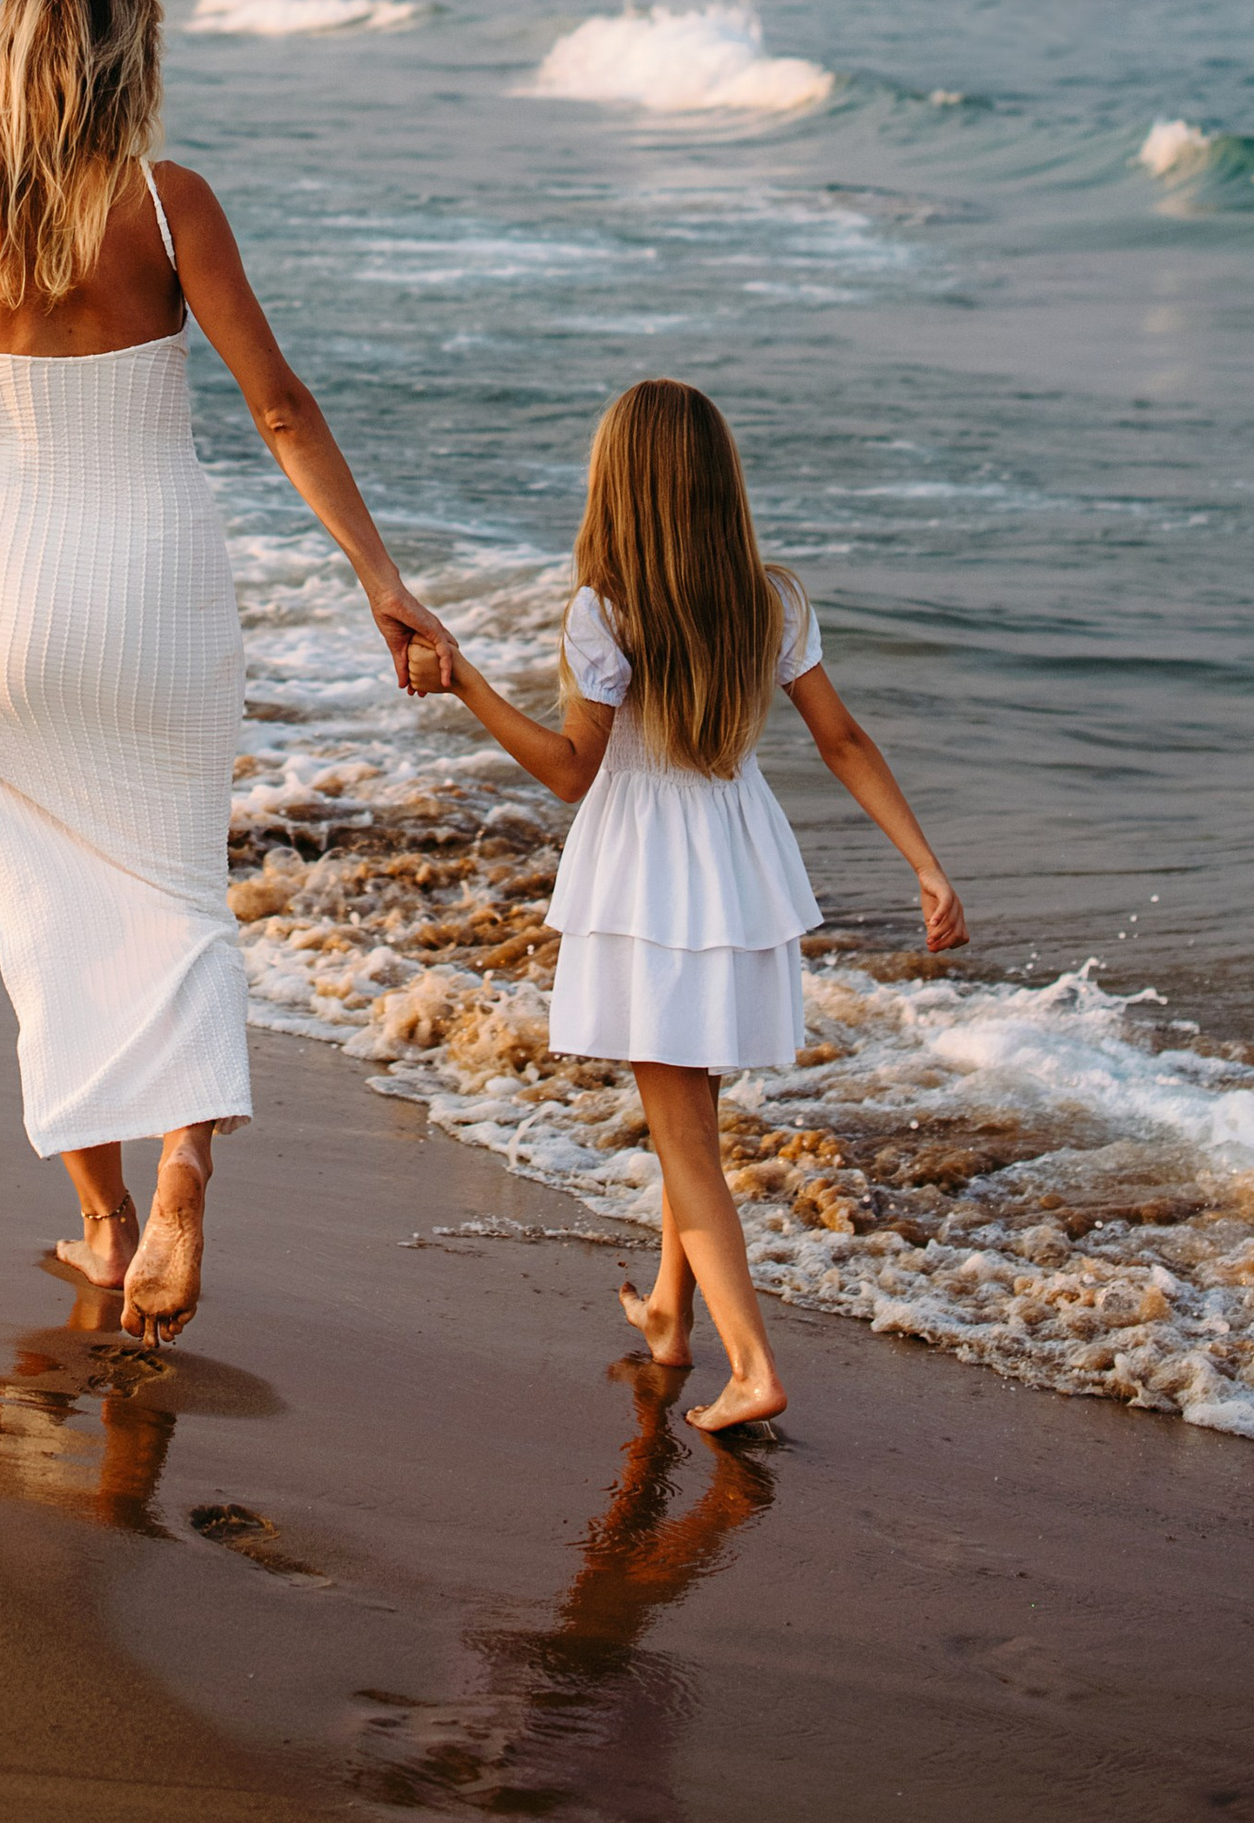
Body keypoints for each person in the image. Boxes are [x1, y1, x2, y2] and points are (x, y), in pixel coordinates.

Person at [0, 0, 456, 1346]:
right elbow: (282, 407)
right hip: (157, 589)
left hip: (3, 605)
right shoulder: (165, 202)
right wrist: (383, 578)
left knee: (44, 915)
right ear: (128, 62)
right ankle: (186, 1169)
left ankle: (107, 1224)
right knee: (178, 894)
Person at [406, 377, 963, 1432]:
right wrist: (925, 865)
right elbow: (841, 740)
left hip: (649, 879)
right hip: (737, 867)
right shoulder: (771, 599)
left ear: (615, 483)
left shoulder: (603, 609)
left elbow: (572, 772)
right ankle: (669, 1311)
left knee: (682, 1139)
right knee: (692, 1116)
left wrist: (463, 681)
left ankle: (752, 1367)